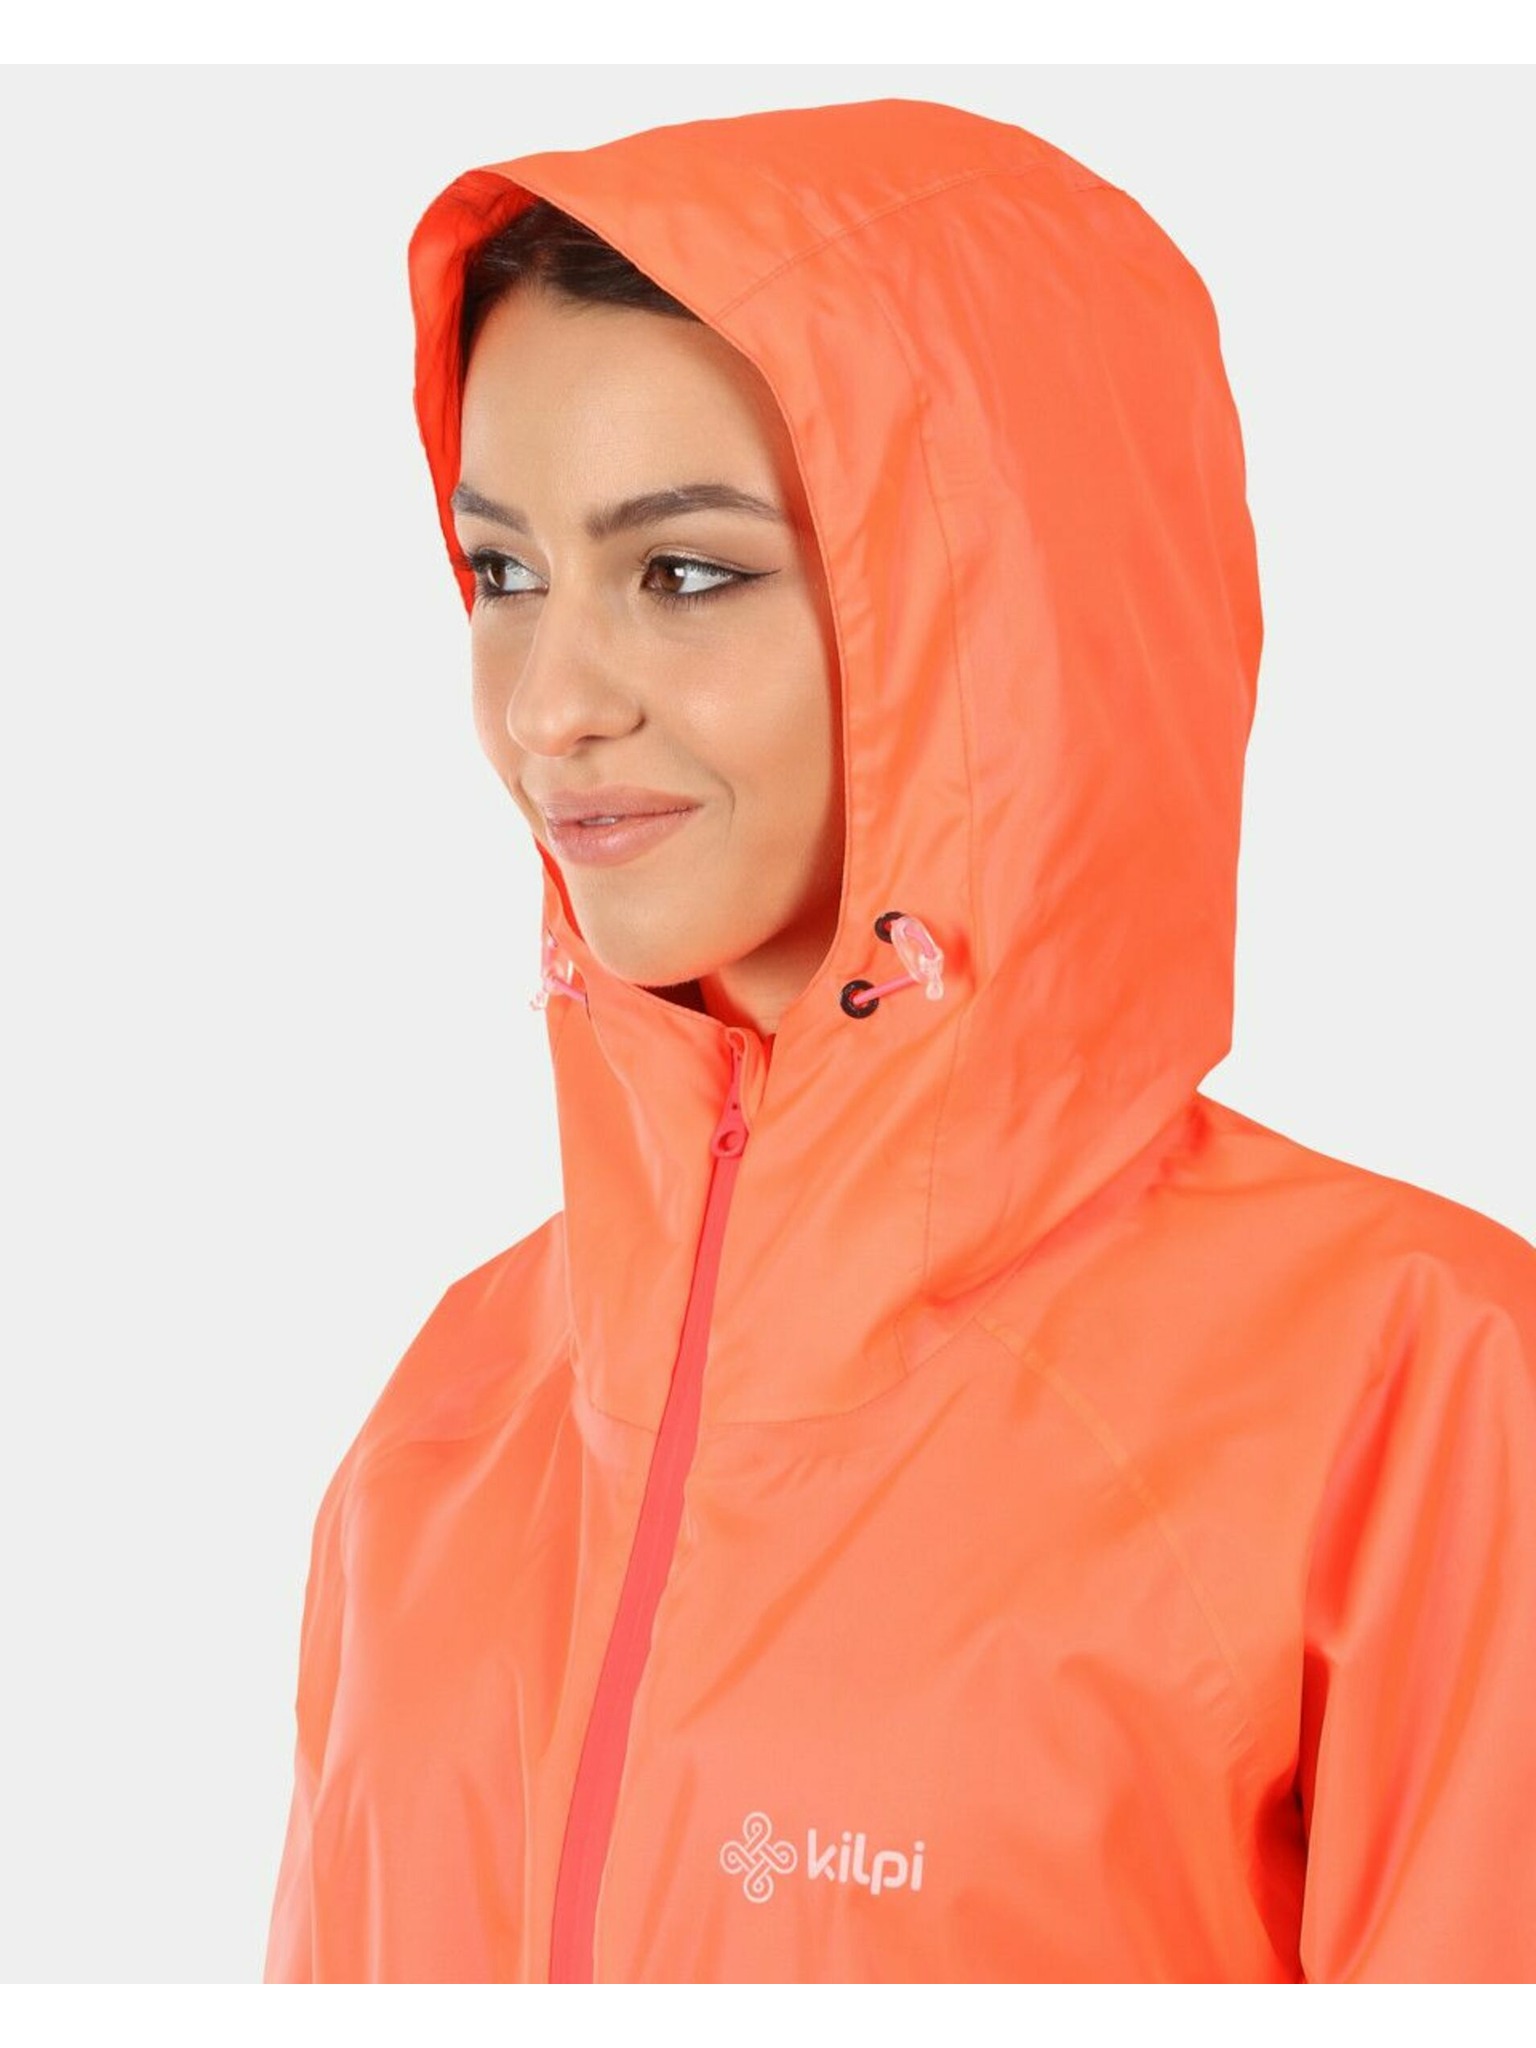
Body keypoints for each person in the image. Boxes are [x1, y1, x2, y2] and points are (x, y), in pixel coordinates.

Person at [263, 97, 1536, 1984]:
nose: (549, 707)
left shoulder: (1415, 1387)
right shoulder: (451, 1416)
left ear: (992, 605)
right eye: (506, 575)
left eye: (684, 573)